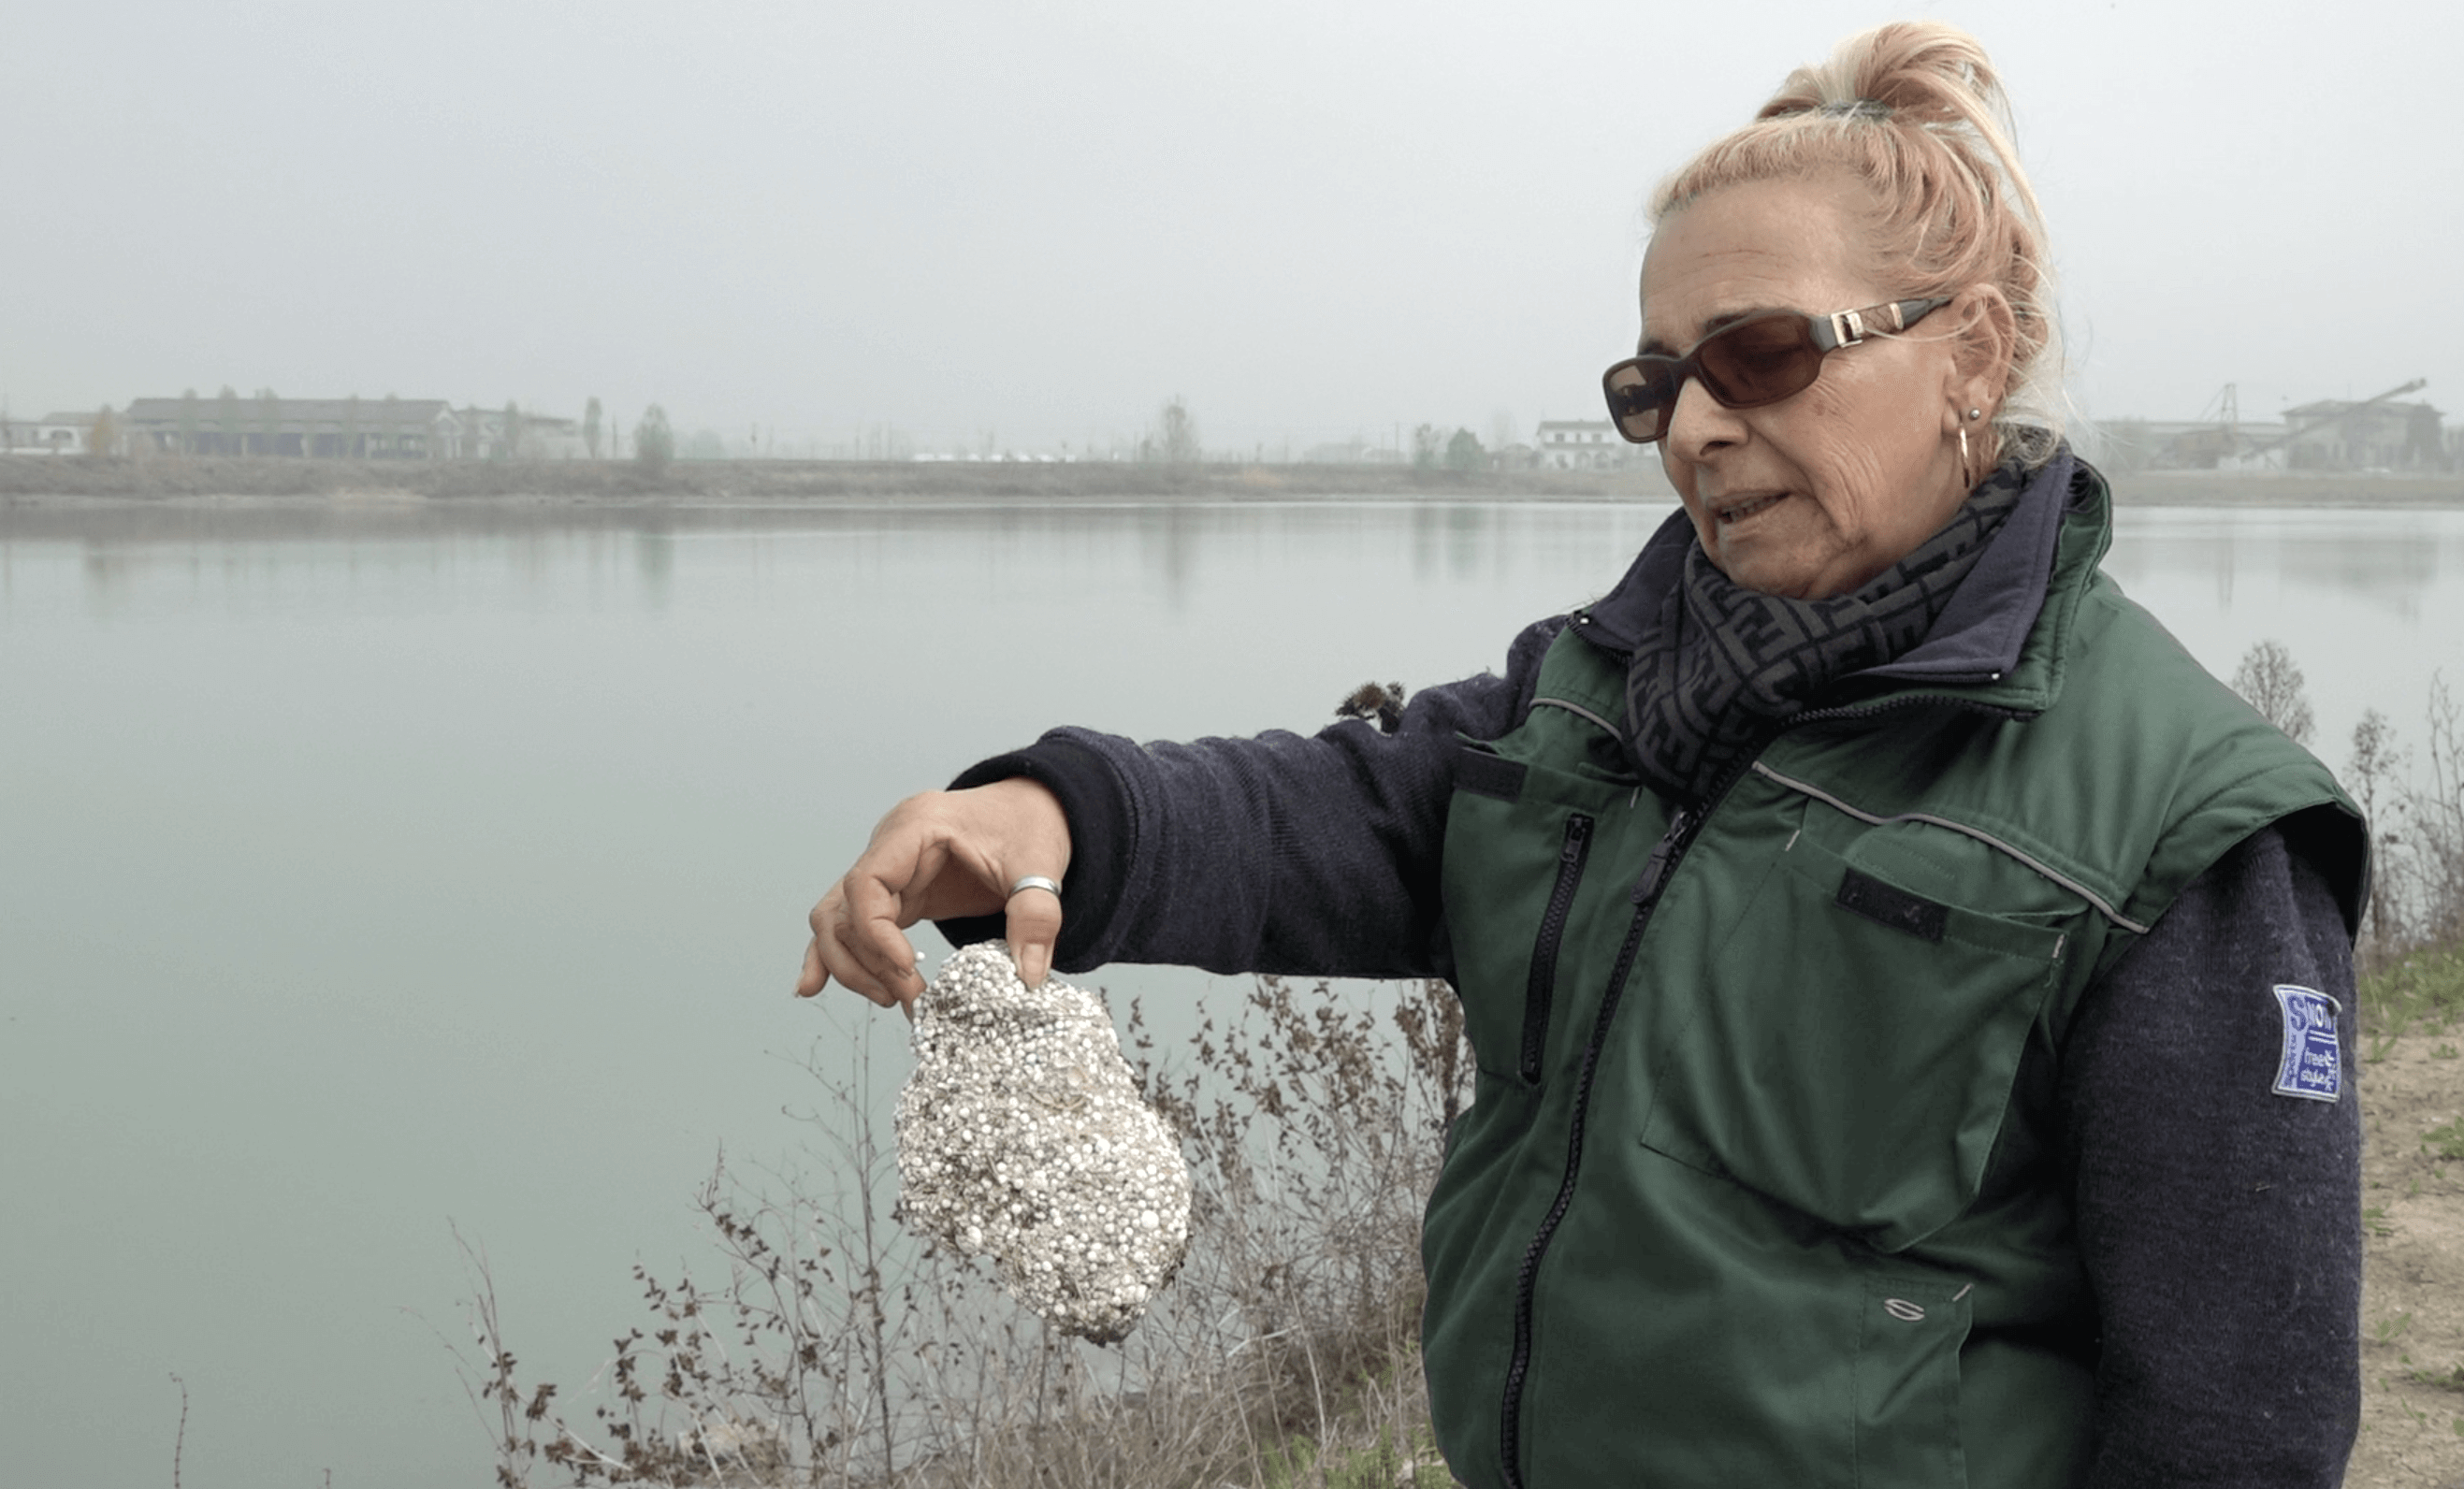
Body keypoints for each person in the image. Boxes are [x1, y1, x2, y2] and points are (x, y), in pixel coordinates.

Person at [800, 22, 2370, 1488]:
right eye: (1653, 384)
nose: (1692, 427)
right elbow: (1342, 811)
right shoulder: (1598, 696)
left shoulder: (2183, 824)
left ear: (1972, 349)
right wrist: (1045, 813)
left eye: (1756, 356)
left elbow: (2237, 1418)